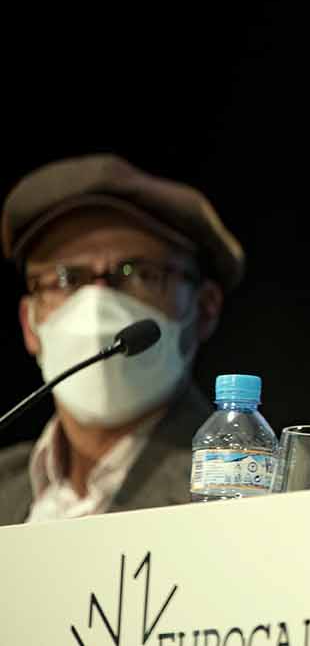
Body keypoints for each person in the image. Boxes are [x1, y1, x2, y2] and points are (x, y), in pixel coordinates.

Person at [0, 154, 244, 523]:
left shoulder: (246, 491)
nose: (96, 306)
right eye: (67, 278)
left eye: (139, 274)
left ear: (204, 309)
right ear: (29, 324)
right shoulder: (6, 483)